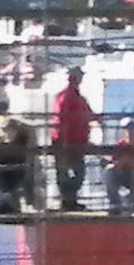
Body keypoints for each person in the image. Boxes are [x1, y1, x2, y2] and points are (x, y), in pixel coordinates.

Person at [50, 67, 95, 211]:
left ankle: (70, 200)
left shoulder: (77, 97)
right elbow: (61, 119)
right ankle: (68, 201)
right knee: (69, 172)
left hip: (76, 141)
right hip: (67, 141)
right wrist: (63, 141)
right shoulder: (66, 96)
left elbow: (88, 113)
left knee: (76, 172)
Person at [0, 116, 33, 214]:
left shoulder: (22, 141)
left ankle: (18, 205)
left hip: (18, 170)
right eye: (0, 129)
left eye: (6, 129)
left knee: (19, 182)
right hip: (2, 170)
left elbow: (26, 159)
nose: (3, 132)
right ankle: (4, 205)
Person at [104, 119, 134, 215]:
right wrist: (118, 164)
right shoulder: (120, 145)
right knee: (109, 171)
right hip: (123, 173)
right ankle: (115, 204)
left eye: (132, 129)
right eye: (127, 129)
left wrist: (133, 162)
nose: (129, 132)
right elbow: (113, 162)